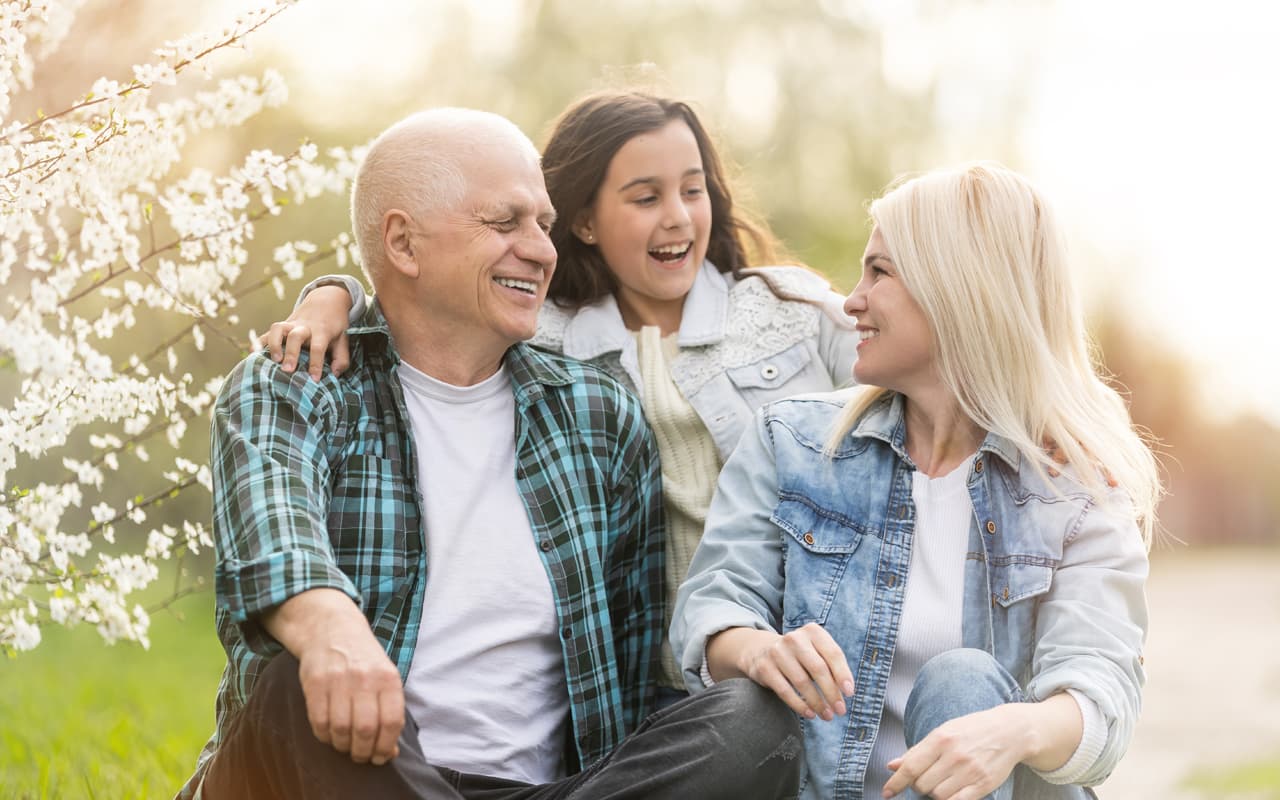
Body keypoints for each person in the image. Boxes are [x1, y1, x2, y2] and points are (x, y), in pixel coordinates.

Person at [181, 107, 802, 800]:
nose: (540, 249)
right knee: (293, 686)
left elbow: (628, 669)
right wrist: (331, 628)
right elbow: (276, 540)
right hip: (354, 770)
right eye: (505, 224)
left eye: (542, 223)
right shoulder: (298, 381)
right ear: (404, 245)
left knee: (753, 722)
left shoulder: (596, 412)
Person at [269, 89, 859, 707]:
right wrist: (332, 296)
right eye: (646, 197)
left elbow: (903, 369)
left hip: (812, 639)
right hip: (663, 676)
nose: (679, 217)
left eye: (693, 189)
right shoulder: (545, 334)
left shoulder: (791, 309)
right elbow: (424, 288)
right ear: (582, 221)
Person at [670, 163, 1158, 800]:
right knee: (747, 711)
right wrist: (758, 649)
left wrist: (1015, 731)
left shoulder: (1077, 486)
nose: (851, 301)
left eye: (881, 272)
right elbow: (711, 606)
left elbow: (1100, 695)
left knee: (962, 683)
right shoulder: (791, 443)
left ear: (957, 289)